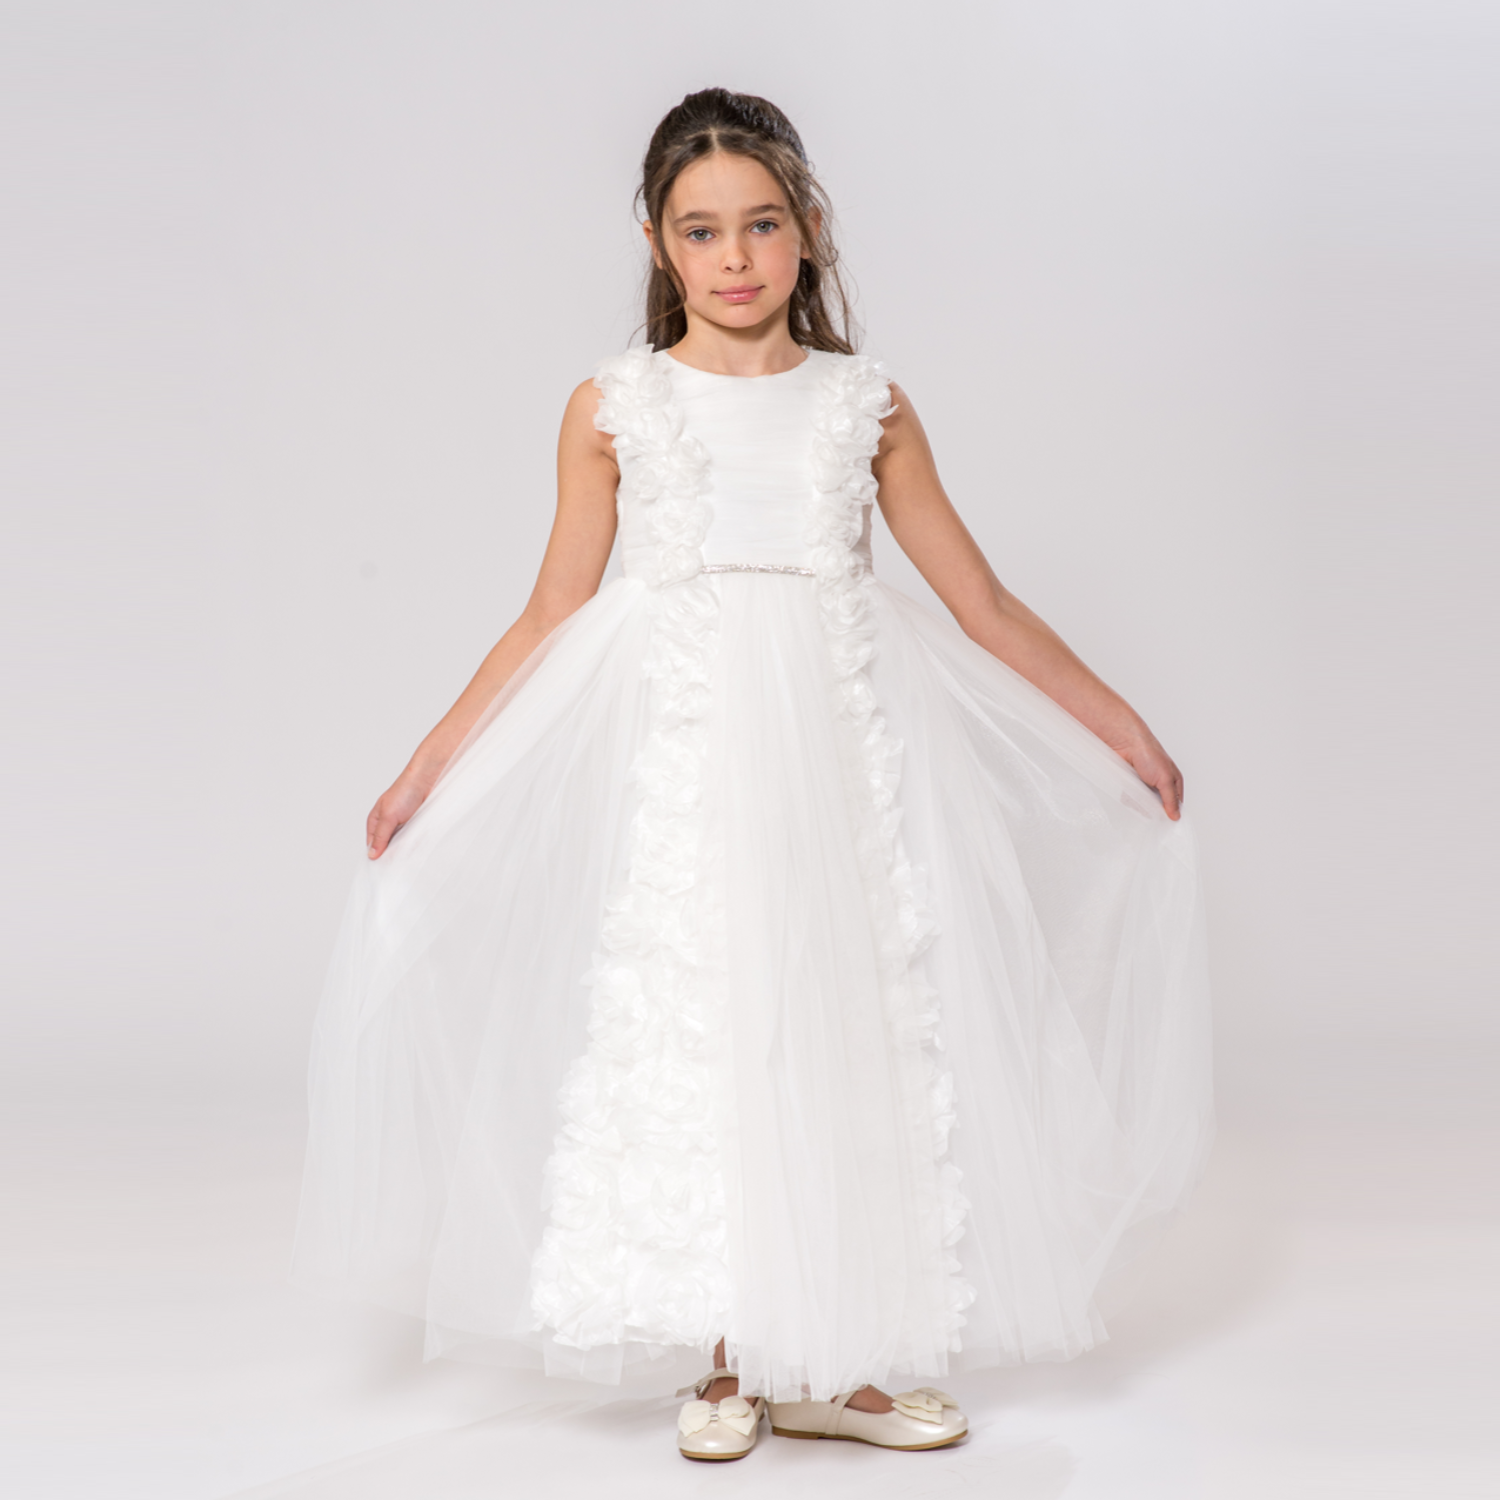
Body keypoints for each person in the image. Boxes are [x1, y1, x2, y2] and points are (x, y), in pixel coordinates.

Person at [292, 86, 1213, 1462]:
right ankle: (727, 1354)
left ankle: (833, 1359)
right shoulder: (617, 406)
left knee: (843, 1022)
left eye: (762, 224)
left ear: (809, 229)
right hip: (690, 767)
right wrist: (427, 770)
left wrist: (1120, 728)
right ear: (658, 243)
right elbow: (549, 611)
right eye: (701, 229)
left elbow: (980, 602)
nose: (735, 257)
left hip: (835, 765)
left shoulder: (863, 404)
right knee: (709, 1026)